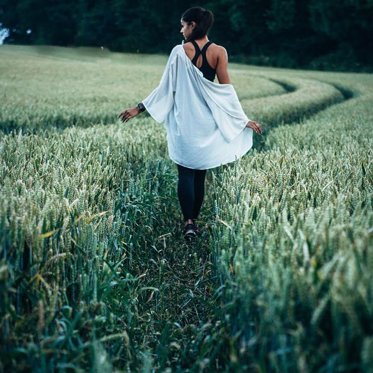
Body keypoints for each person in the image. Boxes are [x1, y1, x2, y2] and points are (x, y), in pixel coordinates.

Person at [119, 6, 262, 240]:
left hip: (184, 122)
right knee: (200, 173)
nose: (181, 29)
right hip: (207, 123)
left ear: (193, 25)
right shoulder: (219, 52)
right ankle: (194, 223)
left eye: (183, 25)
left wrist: (139, 108)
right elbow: (225, 92)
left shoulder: (178, 51)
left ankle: (188, 223)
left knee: (185, 172)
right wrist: (242, 120)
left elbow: (166, 88)